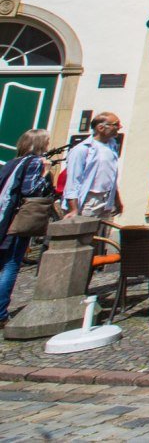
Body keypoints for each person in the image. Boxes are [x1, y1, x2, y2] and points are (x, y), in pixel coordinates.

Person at [0, 129, 53, 322]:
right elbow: (31, 190)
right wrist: (46, 173)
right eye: (46, 142)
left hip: (4, 218)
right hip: (17, 221)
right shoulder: (34, 163)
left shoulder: (12, 162)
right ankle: (0, 314)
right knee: (11, 264)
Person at [63, 111, 122, 217]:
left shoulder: (112, 146)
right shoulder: (82, 149)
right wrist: (74, 209)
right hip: (89, 200)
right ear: (100, 128)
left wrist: (117, 200)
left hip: (106, 199)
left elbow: (111, 177)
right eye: (116, 124)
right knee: (84, 232)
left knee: (100, 233)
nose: (120, 127)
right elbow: (73, 180)